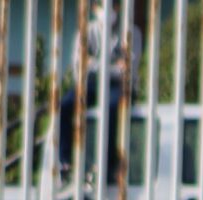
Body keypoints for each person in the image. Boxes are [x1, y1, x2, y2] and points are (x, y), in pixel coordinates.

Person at [57, 0, 142, 181]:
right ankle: (65, 161)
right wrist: (112, 66)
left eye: (112, 6)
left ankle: (106, 165)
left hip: (120, 87)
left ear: (118, 8)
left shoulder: (132, 33)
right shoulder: (86, 31)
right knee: (65, 105)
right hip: (92, 85)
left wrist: (94, 63)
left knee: (111, 109)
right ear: (95, 8)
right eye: (102, 6)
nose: (107, 10)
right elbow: (78, 67)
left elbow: (128, 71)